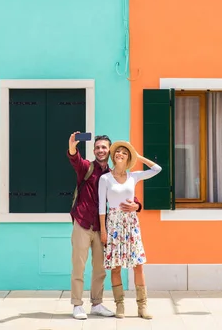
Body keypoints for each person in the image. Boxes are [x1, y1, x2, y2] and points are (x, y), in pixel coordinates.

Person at [67, 132, 142, 320]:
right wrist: (72, 146)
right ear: (94, 150)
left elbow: (125, 194)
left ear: (109, 151)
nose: (101, 150)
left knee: (100, 268)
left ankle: (97, 303)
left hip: (102, 227)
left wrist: (137, 205)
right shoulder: (87, 168)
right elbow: (75, 159)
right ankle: (77, 304)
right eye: (98, 147)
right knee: (79, 265)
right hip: (83, 223)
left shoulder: (112, 175)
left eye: (104, 147)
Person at [98, 141, 161, 320]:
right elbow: (102, 206)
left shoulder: (133, 176)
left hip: (131, 225)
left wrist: (137, 155)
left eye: (124, 153)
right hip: (113, 224)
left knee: (138, 265)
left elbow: (157, 169)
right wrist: (103, 230)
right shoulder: (105, 178)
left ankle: (142, 307)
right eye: (117, 151)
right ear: (113, 156)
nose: (119, 154)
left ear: (128, 158)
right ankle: (120, 305)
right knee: (116, 267)